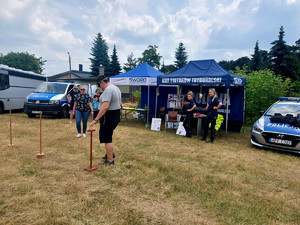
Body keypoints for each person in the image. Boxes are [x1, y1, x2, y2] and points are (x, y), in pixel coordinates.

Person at [90, 75, 121, 165]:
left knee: (107, 138)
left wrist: (96, 119)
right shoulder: (116, 88)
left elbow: (105, 107)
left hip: (108, 116)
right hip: (115, 114)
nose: (100, 88)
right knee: (108, 135)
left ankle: (110, 160)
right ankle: (110, 154)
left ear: (102, 83)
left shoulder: (108, 90)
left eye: (99, 86)